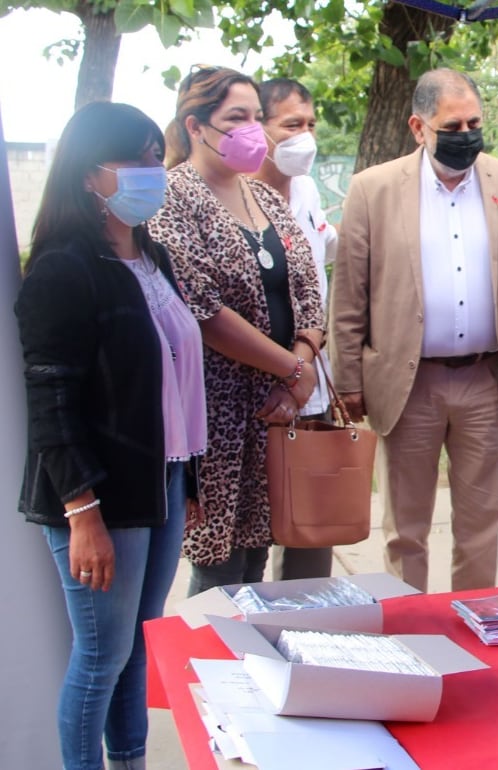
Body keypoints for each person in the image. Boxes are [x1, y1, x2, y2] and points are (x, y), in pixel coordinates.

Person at [15, 101, 206, 770]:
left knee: (135, 646)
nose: (155, 171)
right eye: (140, 159)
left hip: (162, 479)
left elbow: (177, 376)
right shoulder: (63, 270)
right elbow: (51, 402)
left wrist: (189, 479)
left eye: (158, 156)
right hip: (100, 495)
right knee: (100, 658)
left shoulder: (152, 256)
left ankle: (130, 761)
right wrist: (82, 511)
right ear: (90, 174)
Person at [330, 68, 498, 592]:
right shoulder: (373, 189)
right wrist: (349, 379)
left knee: (483, 524)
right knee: (406, 531)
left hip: (488, 380)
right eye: (452, 126)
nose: (466, 135)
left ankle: (474, 628)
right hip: (408, 385)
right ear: (418, 127)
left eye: (474, 122)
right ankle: (412, 634)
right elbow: (350, 294)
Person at [150, 66, 325, 594]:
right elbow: (201, 309)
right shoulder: (171, 197)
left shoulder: (264, 197)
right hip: (216, 410)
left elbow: (309, 288)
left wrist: (305, 359)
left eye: (256, 117)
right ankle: (211, 672)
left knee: (257, 557)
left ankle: (255, 668)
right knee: (219, 566)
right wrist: (293, 368)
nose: (253, 129)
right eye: (237, 118)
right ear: (196, 126)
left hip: (275, 405)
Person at [252, 76, 340, 581]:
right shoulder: (232, 196)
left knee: (312, 531)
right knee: (247, 544)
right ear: (258, 128)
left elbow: (322, 256)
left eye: (310, 124)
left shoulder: (305, 190)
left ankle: (307, 637)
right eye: (291, 125)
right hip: (259, 395)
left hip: (312, 390)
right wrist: (288, 370)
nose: (305, 136)